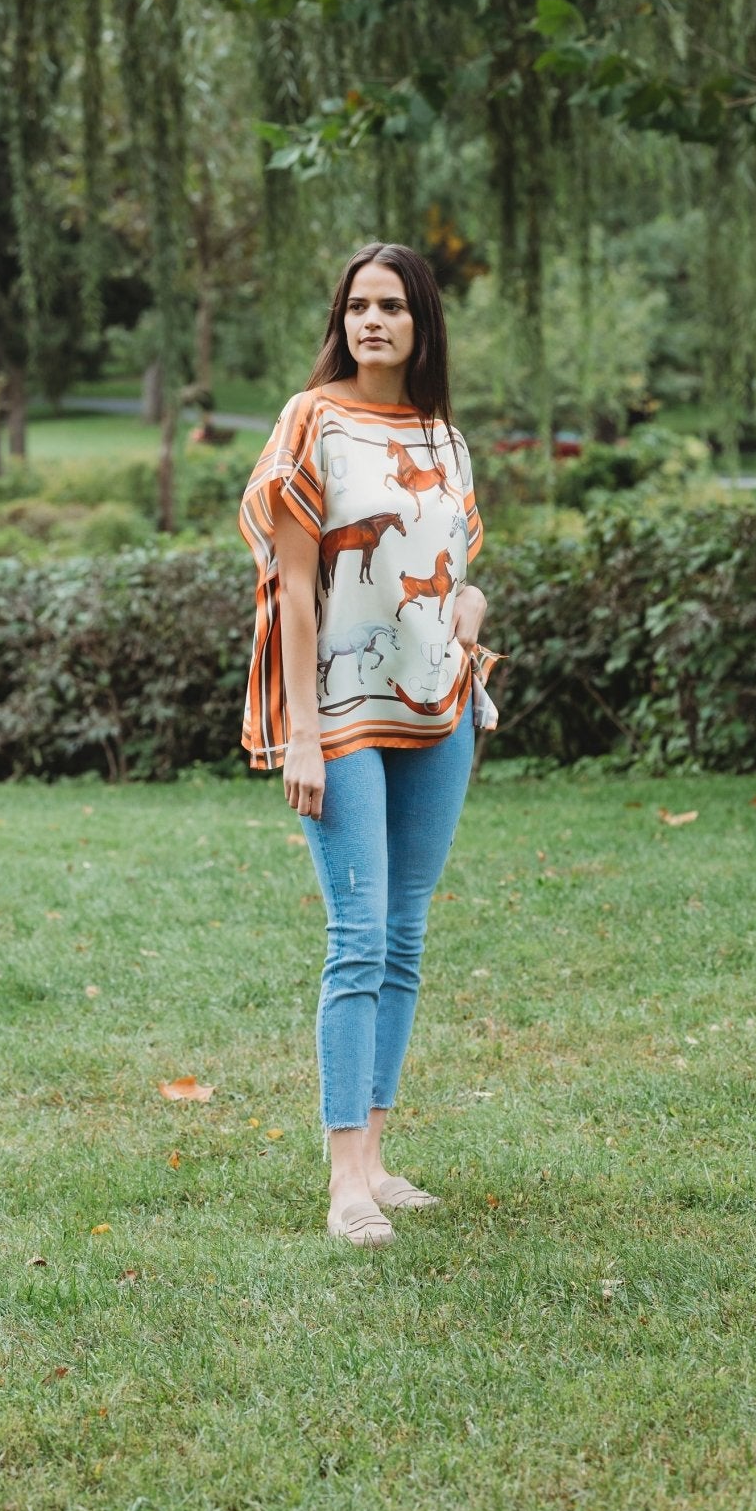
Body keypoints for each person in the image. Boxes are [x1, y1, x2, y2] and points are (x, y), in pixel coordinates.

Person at [238, 242, 497, 1246]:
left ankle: (380, 1161)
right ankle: (345, 1179)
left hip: (438, 710)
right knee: (356, 937)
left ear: (422, 323)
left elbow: (457, 567)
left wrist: (469, 605)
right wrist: (302, 730)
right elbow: (295, 590)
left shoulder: (442, 436)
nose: (373, 320)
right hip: (340, 714)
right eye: (358, 305)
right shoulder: (314, 421)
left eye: (392, 305)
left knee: (404, 936)